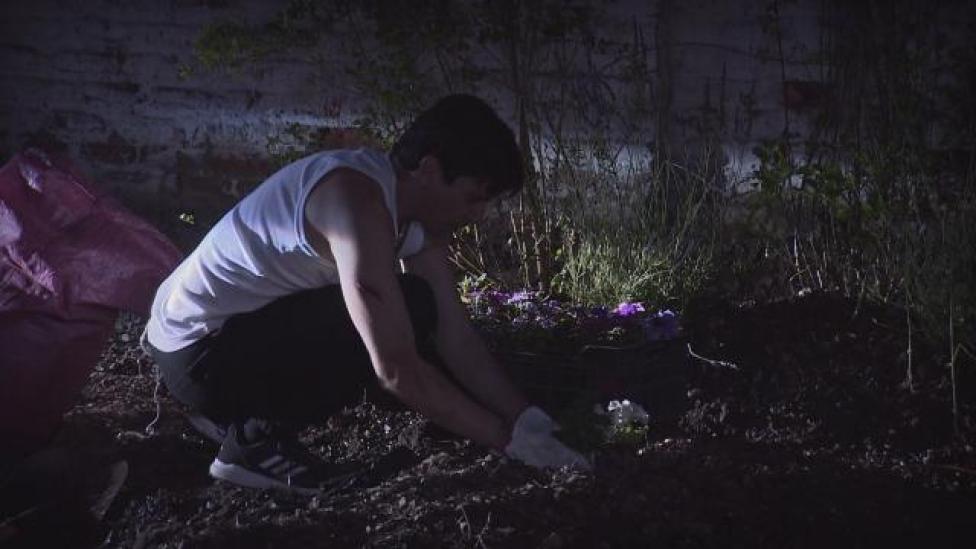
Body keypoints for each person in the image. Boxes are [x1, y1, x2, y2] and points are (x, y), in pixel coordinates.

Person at [143, 94, 589, 494]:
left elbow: (455, 334)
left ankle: (230, 414)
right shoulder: (355, 200)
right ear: (430, 170)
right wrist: (507, 441)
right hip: (198, 354)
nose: (478, 215)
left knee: (416, 305)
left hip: (214, 335)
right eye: (473, 198)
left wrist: (524, 416)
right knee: (403, 309)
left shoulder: (410, 213)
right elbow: (395, 368)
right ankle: (252, 443)